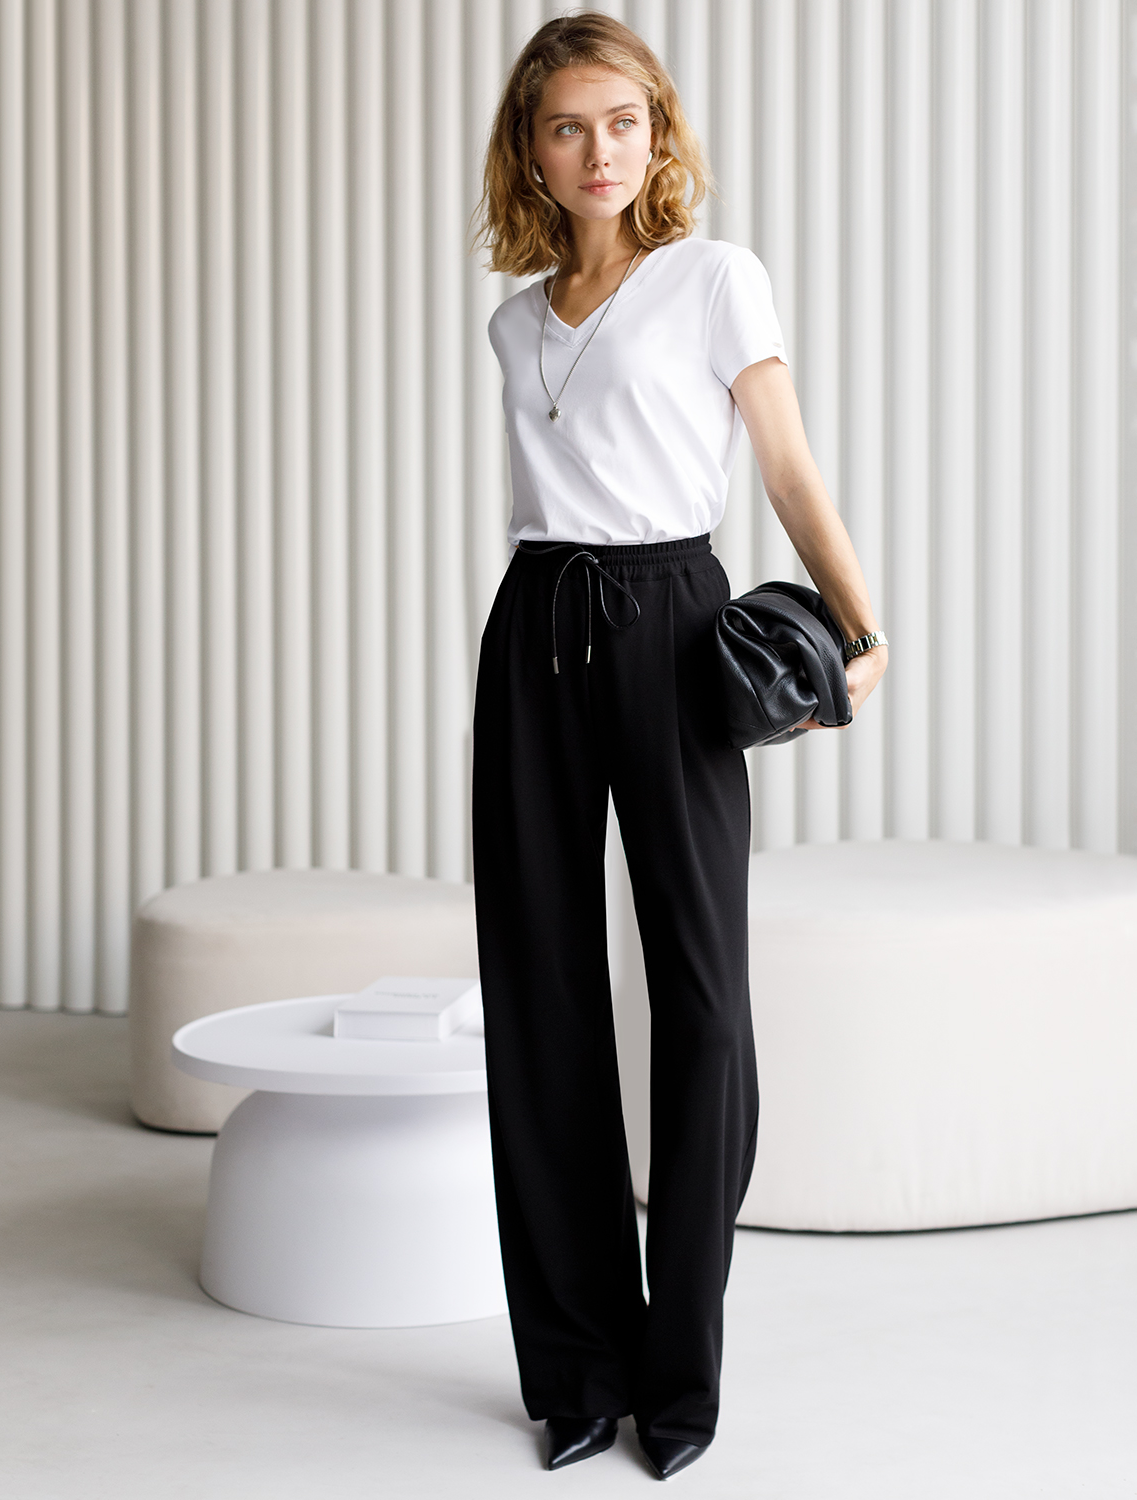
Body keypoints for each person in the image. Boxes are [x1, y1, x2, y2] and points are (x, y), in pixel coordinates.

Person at [468, 12, 887, 1482]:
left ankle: (680, 1370)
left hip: (672, 623)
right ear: (531, 148)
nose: (599, 152)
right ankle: (576, 1368)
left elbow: (787, 467)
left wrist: (859, 623)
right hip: (536, 629)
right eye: (567, 126)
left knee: (702, 998)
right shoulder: (517, 319)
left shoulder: (715, 279)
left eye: (623, 123)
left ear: (658, 137)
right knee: (540, 992)